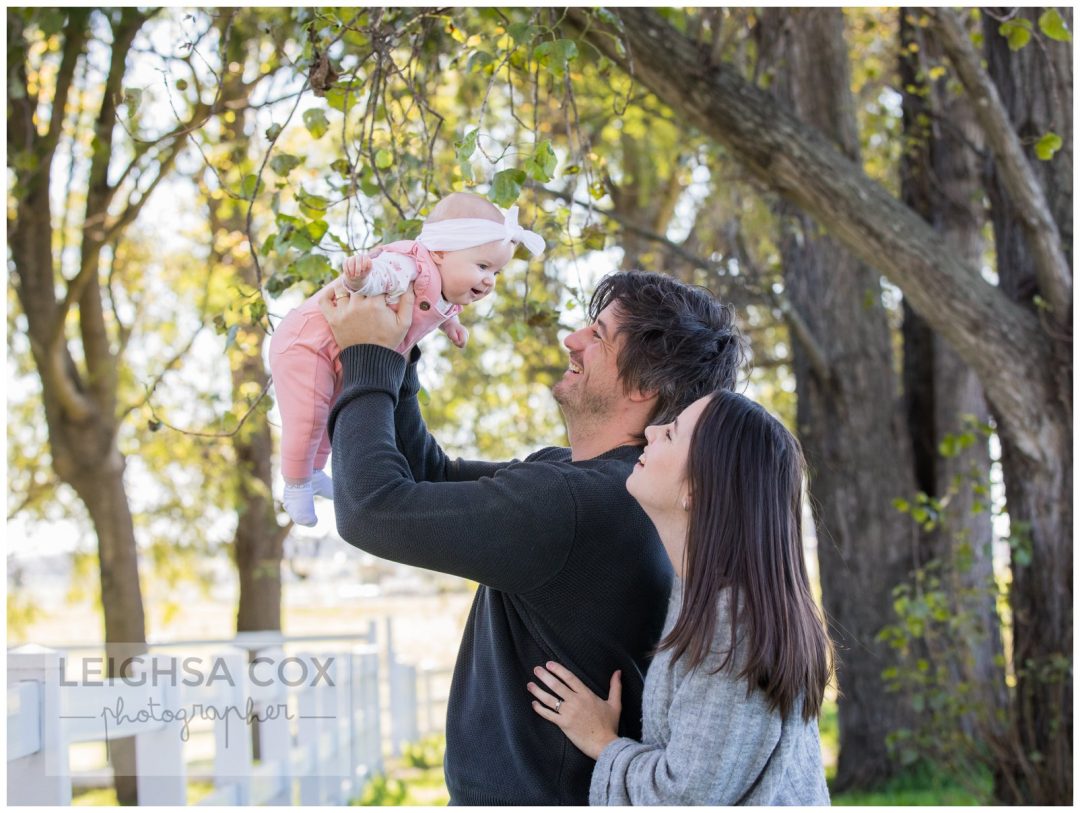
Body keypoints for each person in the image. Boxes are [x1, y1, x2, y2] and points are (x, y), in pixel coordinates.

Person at [317, 269, 747, 805]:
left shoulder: (576, 504)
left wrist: (364, 355)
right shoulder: (585, 484)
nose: (572, 339)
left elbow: (372, 509)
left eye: (599, 335)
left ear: (643, 387)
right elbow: (426, 474)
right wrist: (398, 350)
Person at [526, 389, 834, 805]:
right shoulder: (703, 594)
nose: (651, 431)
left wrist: (603, 742)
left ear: (700, 488)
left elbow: (686, 797)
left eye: (671, 434)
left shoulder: (733, 624)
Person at [269, 192, 543, 526]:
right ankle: (295, 484)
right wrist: (362, 278)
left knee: (330, 416)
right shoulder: (411, 265)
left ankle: (312, 471)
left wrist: (451, 325)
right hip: (308, 345)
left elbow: (437, 310)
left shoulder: (446, 292)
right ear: (441, 252)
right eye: (483, 266)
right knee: (309, 417)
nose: (489, 280)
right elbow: (385, 276)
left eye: (497, 273)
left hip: (342, 353)